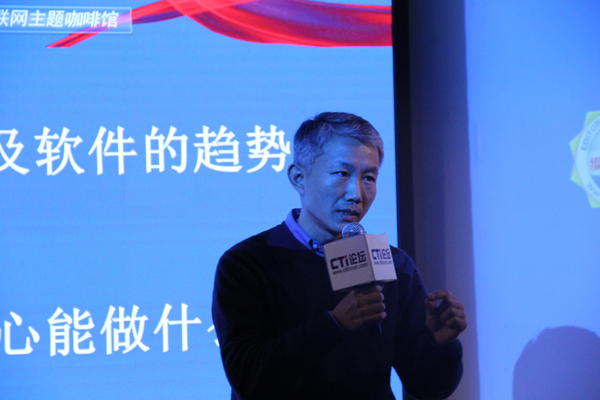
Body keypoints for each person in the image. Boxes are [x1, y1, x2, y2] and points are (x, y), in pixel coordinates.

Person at [212, 112, 467, 400]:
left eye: (368, 177)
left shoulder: (392, 263)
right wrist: (335, 325)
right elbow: (248, 379)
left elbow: (428, 388)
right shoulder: (246, 263)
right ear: (299, 178)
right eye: (341, 174)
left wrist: (439, 344)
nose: (356, 194)